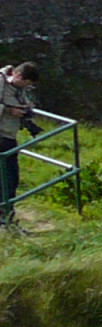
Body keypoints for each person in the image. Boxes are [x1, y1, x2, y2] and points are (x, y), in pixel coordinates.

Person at [1, 61, 40, 226]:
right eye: (25, 82)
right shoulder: (1, 83)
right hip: (2, 135)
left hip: (9, 135)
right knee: (7, 178)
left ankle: (6, 214)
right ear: (17, 75)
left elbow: (21, 100)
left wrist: (26, 109)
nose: (25, 86)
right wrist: (10, 110)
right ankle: (5, 216)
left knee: (11, 178)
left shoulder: (18, 89)